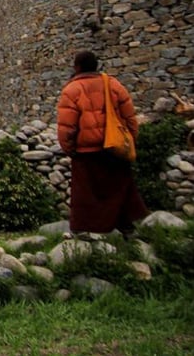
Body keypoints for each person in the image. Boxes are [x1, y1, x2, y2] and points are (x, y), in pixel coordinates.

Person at [57, 50, 148, 235]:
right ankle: (127, 229)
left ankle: (86, 232)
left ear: (77, 67)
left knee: (87, 197)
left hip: (87, 153)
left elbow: (67, 126)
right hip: (114, 149)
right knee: (119, 191)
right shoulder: (113, 85)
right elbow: (130, 117)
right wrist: (129, 140)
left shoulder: (72, 90)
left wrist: (69, 149)